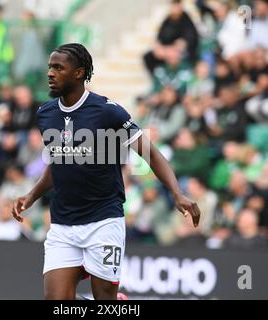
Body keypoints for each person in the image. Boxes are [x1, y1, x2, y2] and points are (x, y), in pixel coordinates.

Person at [12, 43, 201, 300]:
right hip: (63, 223)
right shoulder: (46, 114)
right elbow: (58, 163)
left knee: (106, 302)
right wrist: (32, 195)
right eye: (49, 67)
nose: (50, 73)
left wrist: (177, 193)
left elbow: (151, 153)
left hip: (103, 221)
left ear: (79, 73)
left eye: (58, 68)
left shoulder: (107, 112)